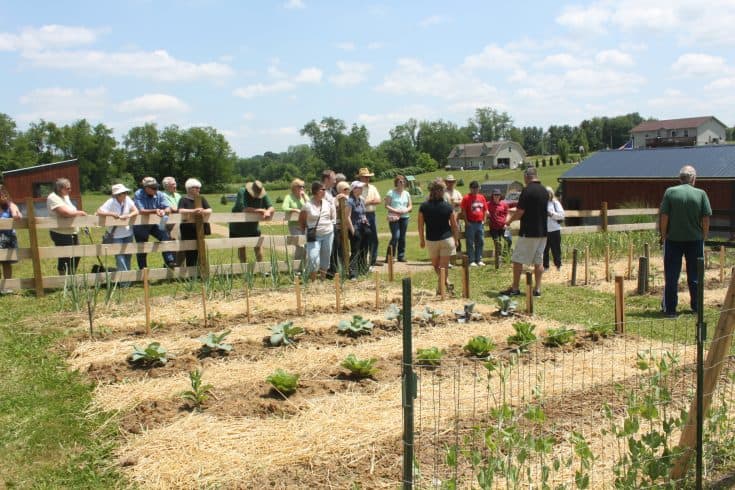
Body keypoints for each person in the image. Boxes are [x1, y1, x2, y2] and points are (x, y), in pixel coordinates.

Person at [659, 165, 712, 317]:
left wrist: (664, 235)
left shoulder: (670, 192)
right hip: (695, 241)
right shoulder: (701, 194)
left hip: (673, 240)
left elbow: (664, 216)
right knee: (695, 276)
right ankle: (696, 307)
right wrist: (704, 236)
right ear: (694, 178)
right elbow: (706, 218)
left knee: (671, 276)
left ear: (679, 178)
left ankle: (670, 310)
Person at [501, 167, 549, 297]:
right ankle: (537, 289)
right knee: (539, 261)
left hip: (529, 232)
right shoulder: (545, 191)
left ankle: (515, 288)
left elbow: (520, 212)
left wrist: (508, 221)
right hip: (543, 232)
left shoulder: (527, 191)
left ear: (527, 176)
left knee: (517, 260)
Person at [419, 179, 460, 294]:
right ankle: (445, 283)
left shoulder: (423, 207)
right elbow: (454, 226)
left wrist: (422, 240)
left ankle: (441, 288)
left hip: (432, 240)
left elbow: (420, 226)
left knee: (436, 266)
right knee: (443, 267)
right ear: (442, 191)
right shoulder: (448, 207)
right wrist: (456, 240)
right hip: (447, 240)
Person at [133, 177, 176, 269]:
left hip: (154, 223)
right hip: (141, 225)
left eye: (156, 187)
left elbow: (167, 207)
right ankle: (143, 269)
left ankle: (169, 261)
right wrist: (156, 210)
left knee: (165, 236)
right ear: (146, 188)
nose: (156, 190)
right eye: (153, 188)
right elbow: (141, 210)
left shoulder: (160, 194)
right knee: (142, 247)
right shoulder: (138, 194)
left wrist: (165, 211)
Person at [95, 184, 139, 276]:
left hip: (128, 233)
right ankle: (124, 280)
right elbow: (99, 211)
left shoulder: (128, 200)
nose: (126, 194)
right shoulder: (111, 201)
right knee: (119, 257)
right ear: (117, 194)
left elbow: (136, 211)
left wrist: (128, 215)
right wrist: (111, 214)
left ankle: (127, 277)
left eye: (126, 192)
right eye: (124, 192)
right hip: (116, 235)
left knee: (128, 256)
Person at [47, 178, 87, 275]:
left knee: (77, 254)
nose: (70, 190)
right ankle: (63, 278)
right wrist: (80, 212)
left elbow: (71, 210)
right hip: (60, 232)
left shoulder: (65, 196)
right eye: (68, 188)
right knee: (65, 255)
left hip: (72, 231)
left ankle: (71, 275)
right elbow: (65, 213)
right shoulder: (53, 197)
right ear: (60, 188)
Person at [299, 181, 336, 281]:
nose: (325, 191)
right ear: (316, 191)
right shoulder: (307, 205)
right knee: (313, 257)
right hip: (313, 235)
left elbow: (332, 217)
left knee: (326, 256)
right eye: (322, 189)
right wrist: (304, 232)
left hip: (328, 233)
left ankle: (323, 280)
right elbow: (301, 220)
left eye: (325, 189)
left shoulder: (327, 204)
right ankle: (313, 281)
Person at [230, 180, 274, 263]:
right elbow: (243, 208)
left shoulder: (263, 194)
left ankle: (261, 268)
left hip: (253, 226)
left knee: (258, 245)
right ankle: (243, 268)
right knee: (241, 246)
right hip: (238, 226)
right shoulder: (242, 192)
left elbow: (271, 207)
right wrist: (259, 210)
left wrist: (268, 211)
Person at [177, 178, 212, 267]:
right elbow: (180, 210)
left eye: (198, 188)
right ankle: (191, 272)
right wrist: (193, 211)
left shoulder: (201, 198)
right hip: (187, 229)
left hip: (200, 228)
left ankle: (201, 270)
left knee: (200, 249)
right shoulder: (183, 199)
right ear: (189, 188)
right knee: (190, 251)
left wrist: (202, 211)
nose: (198, 189)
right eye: (195, 187)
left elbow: (209, 209)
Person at [384, 175, 412, 262]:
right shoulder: (391, 192)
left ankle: (401, 256)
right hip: (394, 217)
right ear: (396, 183)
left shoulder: (407, 193)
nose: (402, 183)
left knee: (402, 237)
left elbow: (410, 206)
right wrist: (396, 211)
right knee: (396, 236)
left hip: (405, 217)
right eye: (400, 181)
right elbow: (386, 205)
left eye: (403, 181)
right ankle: (389, 257)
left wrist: (406, 210)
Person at [460, 180, 488, 266]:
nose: (475, 189)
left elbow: (485, 210)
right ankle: (471, 260)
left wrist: (484, 220)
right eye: (473, 188)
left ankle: (479, 259)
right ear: (470, 188)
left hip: (480, 223)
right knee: (470, 242)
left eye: (477, 187)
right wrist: (466, 222)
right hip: (470, 223)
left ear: (479, 188)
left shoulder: (482, 197)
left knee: (480, 241)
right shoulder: (466, 198)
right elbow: (463, 211)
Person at [347, 181, 370, 280]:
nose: (361, 189)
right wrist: (353, 231)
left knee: (364, 250)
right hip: (355, 228)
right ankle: (353, 273)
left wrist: (366, 220)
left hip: (363, 227)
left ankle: (363, 269)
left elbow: (363, 213)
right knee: (355, 251)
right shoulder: (349, 201)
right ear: (354, 189)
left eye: (362, 188)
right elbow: (347, 217)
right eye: (359, 188)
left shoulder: (361, 200)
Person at [358, 167, 381, 267]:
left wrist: (366, 202)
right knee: (364, 239)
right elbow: (358, 203)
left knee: (374, 238)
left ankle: (373, 260)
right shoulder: (356, 188)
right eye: (365, 177)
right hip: (361, 215)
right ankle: (362, 261)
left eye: (368, 177)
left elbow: (378, 200)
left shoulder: (373, 187)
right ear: (360, 178)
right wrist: (370, 201)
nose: (367, 179)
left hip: (372, 214)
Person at [282, 178, 308, 263]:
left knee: (306, 245)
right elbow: (284, 207)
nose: (302, 188)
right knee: (300, 245)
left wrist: (304, 197)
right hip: (294, 225)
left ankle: (302, 265)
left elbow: (311, 206)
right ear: (294, 187)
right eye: (300, 186)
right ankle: (297, 267)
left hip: (305, 225)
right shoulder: (289, 197)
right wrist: (295, 210)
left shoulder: (304, 196)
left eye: (303, 186)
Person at [0, 185, 22, 281]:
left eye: (4, 193)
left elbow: (17, 215)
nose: (3, 195)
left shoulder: (10, 205)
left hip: (8, 238)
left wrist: (15, 214)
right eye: (1, 193)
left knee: (6, 262)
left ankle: (7, 286)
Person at [543, 186, 565, 271]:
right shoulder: (541, 203)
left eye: (549, 193)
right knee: (544, 250)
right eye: (545, 193)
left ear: (551, 194)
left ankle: (558, 265)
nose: (547, 195)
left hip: (555, 229)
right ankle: (545, 266)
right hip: (544, 230)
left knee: (556, 249)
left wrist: (551, 214)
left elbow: (562, 215)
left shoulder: (555, 203)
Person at [332, 181, 352, 272]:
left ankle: (347, 267)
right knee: (339, 248)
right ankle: (339, 268)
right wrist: (337, 199)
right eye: (345, 189)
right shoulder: (335, 199)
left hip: (347, 227)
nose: (348, 190)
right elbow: (334, 208)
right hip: (338, 228)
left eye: (348, 188)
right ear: (339, 190)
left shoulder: (350, 199)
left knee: (347, 248)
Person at [487, 188, 511, 260]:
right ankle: (498, 258)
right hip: (494, 227)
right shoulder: (488, 204)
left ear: (500, 196)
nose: (497, 196)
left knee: (509, 240)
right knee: (497, 243)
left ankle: (505, 254)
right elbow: (484, 209)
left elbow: (508, 214)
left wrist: (506, 223)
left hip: (503, 227)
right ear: (492, 195)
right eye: (495, 195)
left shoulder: (504, 204)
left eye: (498, 195)